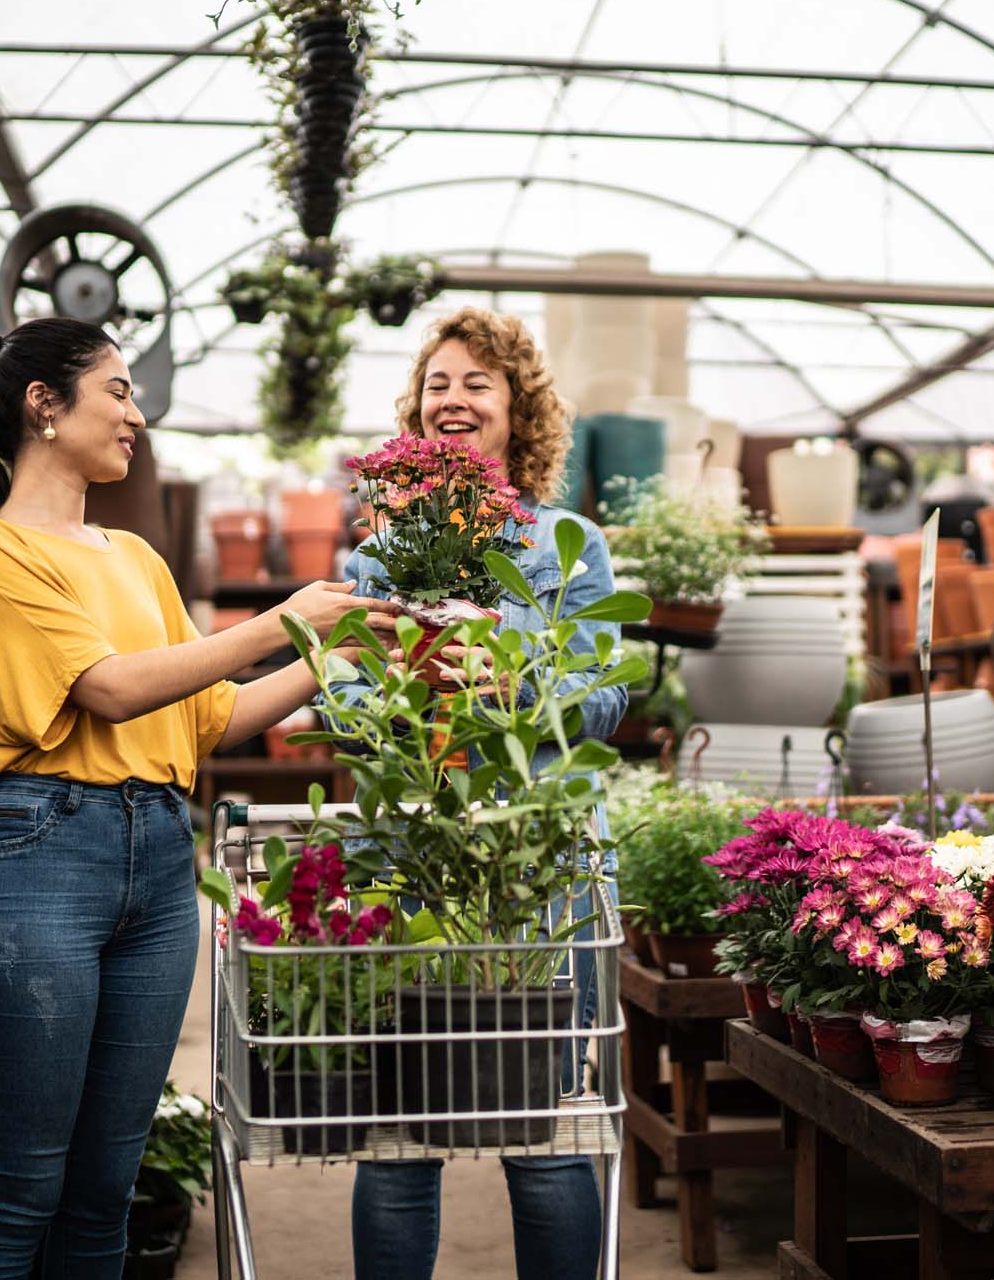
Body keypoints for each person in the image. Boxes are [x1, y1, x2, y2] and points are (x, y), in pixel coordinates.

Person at [0, 316, 400, 1279]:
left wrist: (338, 655)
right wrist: (281, 621)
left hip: (153, 859)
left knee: (106, 1194)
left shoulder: (136, 559)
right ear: (43, 406)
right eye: (119, 391)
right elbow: (105, 687)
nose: (136, 415)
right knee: (18, 1190)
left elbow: (210, 719)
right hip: (34, 860)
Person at [335, 307, 627, 1280]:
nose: (453, 399)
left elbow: (603, 693)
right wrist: (403, 692)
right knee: (399, 1138)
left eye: (477, 383)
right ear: (416, 414)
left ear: (518, 410)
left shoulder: (567, 539)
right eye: (437, 385)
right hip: (413, 855)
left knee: (539, 1134)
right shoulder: (377, 554)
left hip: (533, 863)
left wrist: (507, 679)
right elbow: (340, 699)